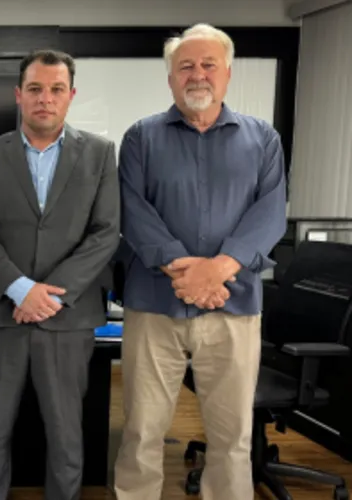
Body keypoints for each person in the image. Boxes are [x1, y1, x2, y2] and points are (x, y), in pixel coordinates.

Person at [113, 23, 286, 500]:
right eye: (185, 66)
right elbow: (132, 211)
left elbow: (270, 214)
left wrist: (218, 270)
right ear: (170, 77)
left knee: (232, 439)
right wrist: (184, 272)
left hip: (234, 305)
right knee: (142, 432)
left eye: (208, 64)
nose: (198, 74)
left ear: (227, 73)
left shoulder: (263, 139)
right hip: (154, 305)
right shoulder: (141, 138)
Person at [0, 49, 121, 500]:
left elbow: (106, 233)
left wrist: (48, 295)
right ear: (18, 95)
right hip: (0, 316)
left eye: (55, 90)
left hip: (67, 318)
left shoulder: (100, 154)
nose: (44, 99)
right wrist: (19, 289)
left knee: (67, 434)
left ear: (71, 96)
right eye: (34, 89)